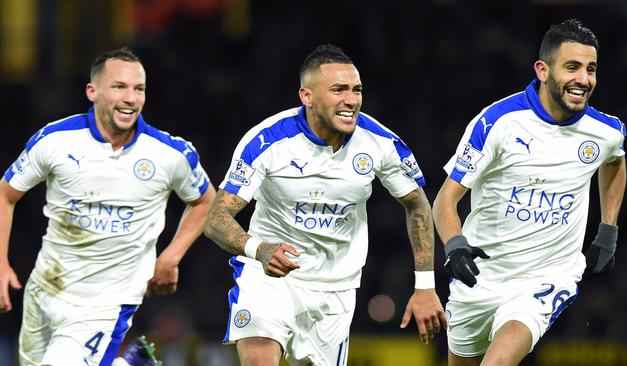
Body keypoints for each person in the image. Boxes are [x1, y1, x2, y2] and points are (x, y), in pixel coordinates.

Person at [204, 44, 446, 366]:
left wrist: (425, 286)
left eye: (356, 90)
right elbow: (216, 218)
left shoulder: (382, 143)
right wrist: (258, 250)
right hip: (270, 279)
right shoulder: (267, 142)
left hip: (336, 288)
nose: (351, 100)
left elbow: (416, 204)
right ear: (307, 96)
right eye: (338, 90)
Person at [0, 47, 216, 366]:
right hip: (46, 287)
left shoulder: (169, 153)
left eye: (138, 89)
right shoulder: (55, 139)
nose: (131, 98)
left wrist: (171, 256)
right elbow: (5, 195)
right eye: (119, 87)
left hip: (109, 301)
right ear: (93, 91)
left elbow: (206, 200)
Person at [432, 19, 626, 366]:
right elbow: (445, 200)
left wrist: (608, 231)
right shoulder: (498, 123)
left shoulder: (605, 131)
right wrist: (455, 244)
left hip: (547, 277)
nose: (584, 79)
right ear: (543, 70)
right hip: (480, 278)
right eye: (572, 67)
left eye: (591, 69)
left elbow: (615, 161)